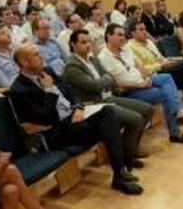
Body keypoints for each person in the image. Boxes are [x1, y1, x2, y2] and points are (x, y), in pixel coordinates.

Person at [9, 44, 143, 195]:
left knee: (109, 112)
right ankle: (121, 173)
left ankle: (121, 173)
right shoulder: (19, 89)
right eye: (36, 55)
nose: (42, 57)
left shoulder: (47, 72)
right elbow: (45, 118)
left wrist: (78, 108)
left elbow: (71, 94)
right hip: (56, 131)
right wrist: (48, 91)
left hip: (76, 117)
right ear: (24, 63)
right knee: (109, 124)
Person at [62, 29, 153, 164]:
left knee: (148, 109)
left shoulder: (92, 59)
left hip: (107, 98)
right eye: (83, 42)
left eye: (89, 42)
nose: (88, 45)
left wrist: (104, 80)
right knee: (136, 119)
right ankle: (127, 155)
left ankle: (129, 148)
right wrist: (105, 80)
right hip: (92, 106)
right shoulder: (72, 67)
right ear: (73, 44)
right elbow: (94, 86)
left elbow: (110, 77)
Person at [100, 24, 183, 144]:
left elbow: (138, 66)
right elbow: (115, 83)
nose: (122, 38)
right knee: (165, 93)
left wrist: (146, 77)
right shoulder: (103, 57)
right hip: (129, 90)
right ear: (108, 36)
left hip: (142, 81)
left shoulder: (125, 49)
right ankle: (175, 131)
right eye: (119, 35)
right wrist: (139, 85)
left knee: (166, 77)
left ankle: (178, 112)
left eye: (123, 35)